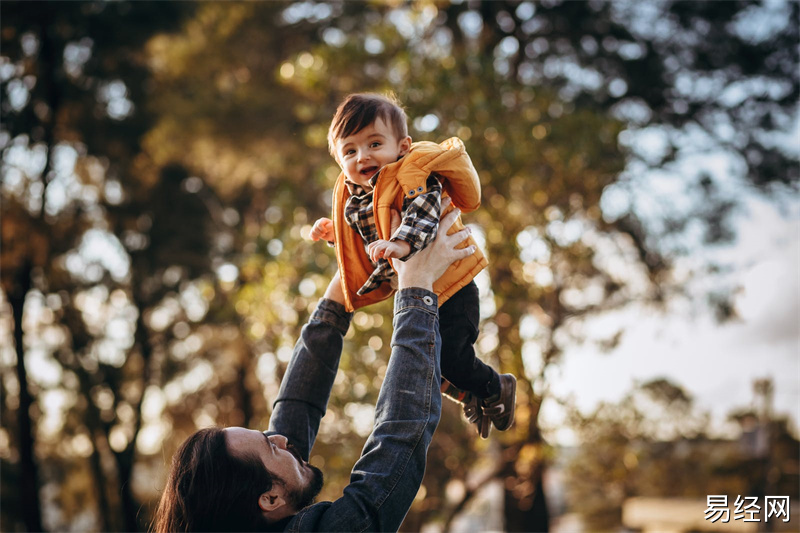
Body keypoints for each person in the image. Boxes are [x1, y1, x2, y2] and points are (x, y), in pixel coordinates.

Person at [153, 203, 476, 532]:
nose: (280, 437)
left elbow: (298, 407)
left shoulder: (259, 512)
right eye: (270, 446)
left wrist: (341, 291)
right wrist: (417, 287)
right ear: (270, 499)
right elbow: (399, 437)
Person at [310, 93, 515, 438]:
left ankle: (495, 387)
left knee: (450, 358)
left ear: (402, 145)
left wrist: (402, 243)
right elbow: (366, 240)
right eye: (350, 150)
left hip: (453, 287)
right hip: (417, 294)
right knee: (424, 363)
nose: (363, 156)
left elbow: (426, 207)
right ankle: (472, 391)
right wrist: (335, 236)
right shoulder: (356, 199)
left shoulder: (412, 172)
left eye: (374, 143)